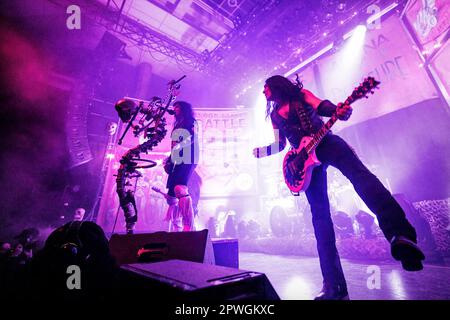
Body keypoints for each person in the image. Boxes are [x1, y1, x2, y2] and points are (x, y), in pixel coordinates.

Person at [253, 75, 425, 300]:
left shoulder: (300, 96)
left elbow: (321, 105)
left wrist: (337, 109)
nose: (263, 92)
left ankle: (401, 235)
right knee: (320, 218)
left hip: (325, 142)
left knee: (362, 178)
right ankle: (334, 287)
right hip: (304, 163)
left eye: (265, 87)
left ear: (275, 86)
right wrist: (262, 152)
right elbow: (280, 144)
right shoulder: (275, 115)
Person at [163, 101, 199, 232]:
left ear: (184, 109)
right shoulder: (177, 124)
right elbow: (174, 145)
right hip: (177, 158)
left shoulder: (191, 121)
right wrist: (170, 160)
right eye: (174, 107)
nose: (175, 109)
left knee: (180, 189)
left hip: (189, 157)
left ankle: (189, 225)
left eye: (177, 107)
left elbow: (192, 137)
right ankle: (176, 227)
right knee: (172, 196)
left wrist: (180, 145)